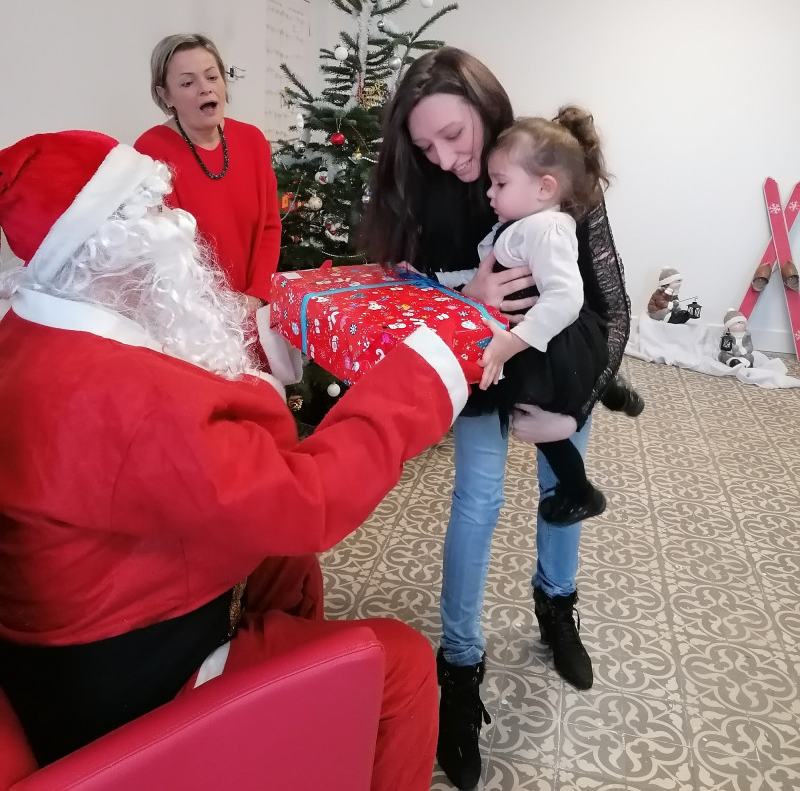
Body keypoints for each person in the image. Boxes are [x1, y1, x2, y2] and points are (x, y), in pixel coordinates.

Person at [0, 129, 473, 791]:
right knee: (401, 660)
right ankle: (287, 701)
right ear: (107, 246)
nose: (182, 220)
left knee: (285, 559)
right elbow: (309, 501)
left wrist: (258, 359)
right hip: (136, 693)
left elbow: (186, 435)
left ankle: (296, 720)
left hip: (72, 639)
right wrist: (420, 378)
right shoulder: (116, 396)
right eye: (157, 209)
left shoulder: (37, 331)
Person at [361, 47, 630, 791]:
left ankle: (557, 608)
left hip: (562, 365)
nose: (447, 159)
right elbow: (405, 291)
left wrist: (575, 408)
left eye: (454, 135)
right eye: (424, 146)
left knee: (562, 489)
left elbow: (612, 308)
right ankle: (459, 668)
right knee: (476, 502)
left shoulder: (548, 165)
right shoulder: (426, 190)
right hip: (482, 371)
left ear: (483, 105)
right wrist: (467, 293)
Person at [476, 114, 611, 527]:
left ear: (544, 187)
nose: (489, 193)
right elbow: (485, 272)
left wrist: (513, 342)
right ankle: (615, 392)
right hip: (547, 343)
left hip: (548, 346)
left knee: (533, 413)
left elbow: (567, 296)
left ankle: (579, 490)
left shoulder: (546, 229)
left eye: (500, 183)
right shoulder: (522, 226)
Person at [134, 33, 281, 339]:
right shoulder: (151, 149)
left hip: (253, 311)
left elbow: (269, 226)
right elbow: (165, 252)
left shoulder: (252, 141)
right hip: (193, 323)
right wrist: (216, 312)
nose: (205, 88)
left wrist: (255, 296)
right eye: (187, 83)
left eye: (212, 76)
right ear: (165, 95)